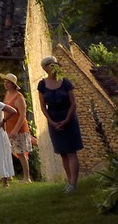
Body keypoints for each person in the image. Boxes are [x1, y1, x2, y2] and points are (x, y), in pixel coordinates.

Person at [38, 55, 84, 193]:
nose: (52, 67)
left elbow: (73, 104)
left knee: (71, 151)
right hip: (53, 119)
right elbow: (42, 106)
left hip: (68, 117)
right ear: (45, 68)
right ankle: (69, 182)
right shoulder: (42, 84)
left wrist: (67, 120)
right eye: (49, 65)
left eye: (54, 64)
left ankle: (74, 183)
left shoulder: (65, 83)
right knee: (63, 152)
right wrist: (52, 122)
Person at [0, 72, 33, 182]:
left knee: (20, 152)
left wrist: (15, 130)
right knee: (6, 151)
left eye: (8, 82)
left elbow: (22, 115)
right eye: (5, 82)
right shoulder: (7, 94)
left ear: (13, 84)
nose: (6, 84)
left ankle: (26, 177)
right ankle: (8, 175)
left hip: (19, 129)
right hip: (8, 127)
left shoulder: (19, 97)